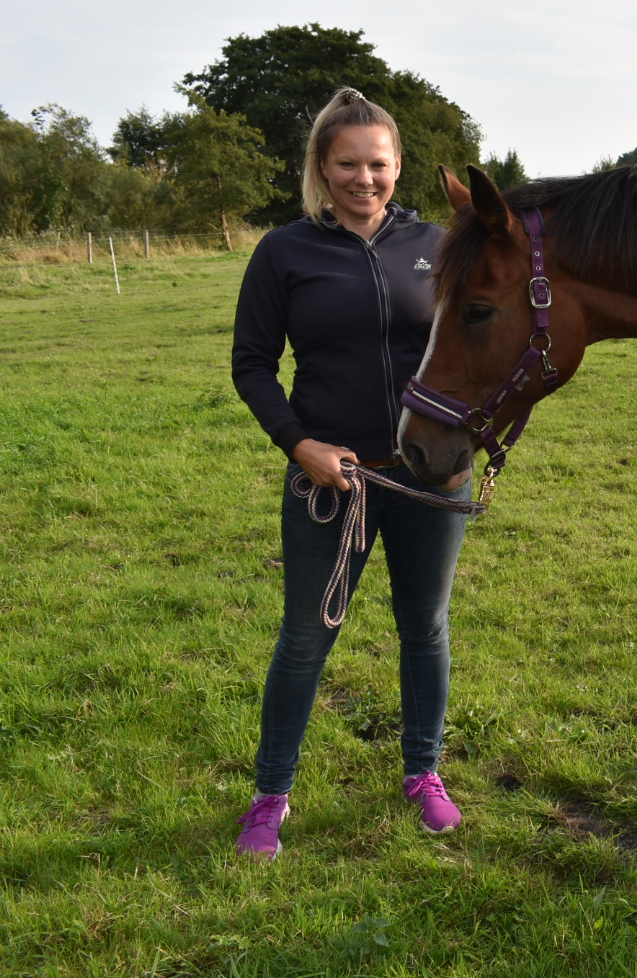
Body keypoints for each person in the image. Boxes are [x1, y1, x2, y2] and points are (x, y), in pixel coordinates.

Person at [230, 87, 467, 859]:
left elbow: (477, 351)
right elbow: (253, 365)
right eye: (347, 165)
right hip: (333, 482)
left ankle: (423, 774)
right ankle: (271, 795)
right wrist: (300, 444)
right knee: (306, 636)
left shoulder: (439, 245)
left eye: (379, 163)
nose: (365, 179)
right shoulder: (285, 252)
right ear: (321, 168)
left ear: (398, 164)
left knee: (424, 629)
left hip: (428, 478)